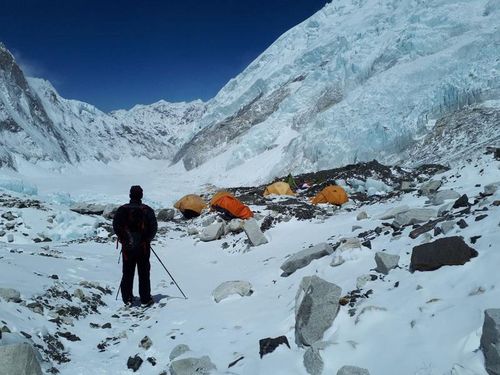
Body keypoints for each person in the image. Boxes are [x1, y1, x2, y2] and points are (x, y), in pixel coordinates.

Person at [113, 185, 158, 307]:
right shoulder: (147, 210)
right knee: (143, 272)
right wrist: (147, 240)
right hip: (143, 247)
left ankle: (127, 298)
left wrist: (124, 239)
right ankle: (145, 299)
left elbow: (116, 225)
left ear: (130, 195)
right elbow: (154, 227)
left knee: (127, 272)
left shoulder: (122, 209)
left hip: (128, 247)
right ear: (141, 195)